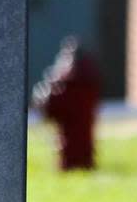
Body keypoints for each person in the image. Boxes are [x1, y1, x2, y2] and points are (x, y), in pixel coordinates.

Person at [32, 37, 102, 171]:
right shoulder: (88, 80)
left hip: (70, 149)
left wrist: (45, 95)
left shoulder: (71, 86)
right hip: (79, 145)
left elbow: (51, 107)